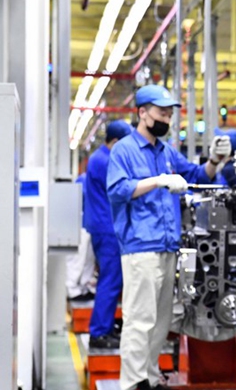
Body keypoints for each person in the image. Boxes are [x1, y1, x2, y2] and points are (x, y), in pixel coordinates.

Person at [107, 85, 232, 390]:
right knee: (140, 319)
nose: (167, 119)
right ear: (142, 113)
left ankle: (149, 377)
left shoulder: (167, 152)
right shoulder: (124, 150)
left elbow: (197, 175)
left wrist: (215, 160)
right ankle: (132, 382)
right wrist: (157, 181)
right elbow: (118, 190)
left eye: (169, 114)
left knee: (161, 321)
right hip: (140, 247)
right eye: (161, 113)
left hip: (168, 246)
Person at [84, 120, 132, 349]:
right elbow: (123, 190)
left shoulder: (99, 157)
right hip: (107, 228)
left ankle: (105, 326)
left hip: (103, 226)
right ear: (115, 142)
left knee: (111, 279)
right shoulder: (105, 161)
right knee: (110, 280)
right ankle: (99, 332)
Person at [66, 172, 97, 302]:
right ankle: (72, 289)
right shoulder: (83, 180)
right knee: (78, 259)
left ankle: (84, 287)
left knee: (88, 259)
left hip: (92, 225)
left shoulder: (96, 180)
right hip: (80, 225)